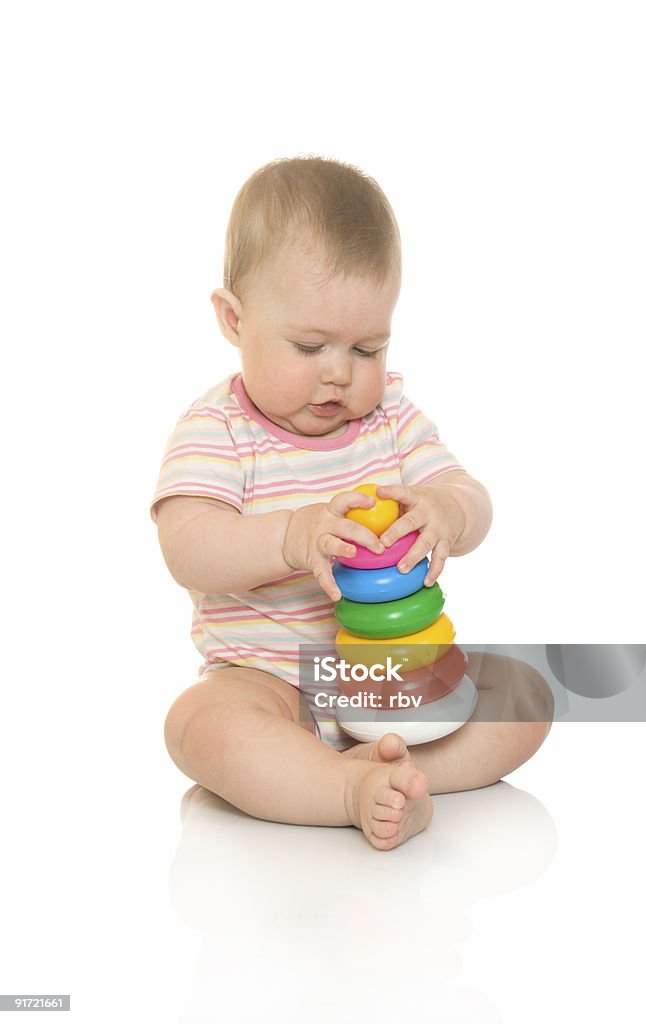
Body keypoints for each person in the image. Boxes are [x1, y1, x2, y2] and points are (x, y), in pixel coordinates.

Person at [151, 156, 552, 851]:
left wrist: (447, 513)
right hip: (268, 683)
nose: (340, 372)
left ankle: (394, 772)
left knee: (525, 697)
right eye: (310, 346)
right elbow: (187, 544)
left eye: (367, 346)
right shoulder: (217, 429)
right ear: (232, 319)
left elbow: (471, 500)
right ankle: (345, 787)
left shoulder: (389, 419)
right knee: (197, 726)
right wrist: (288, 538)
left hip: (396, 678)